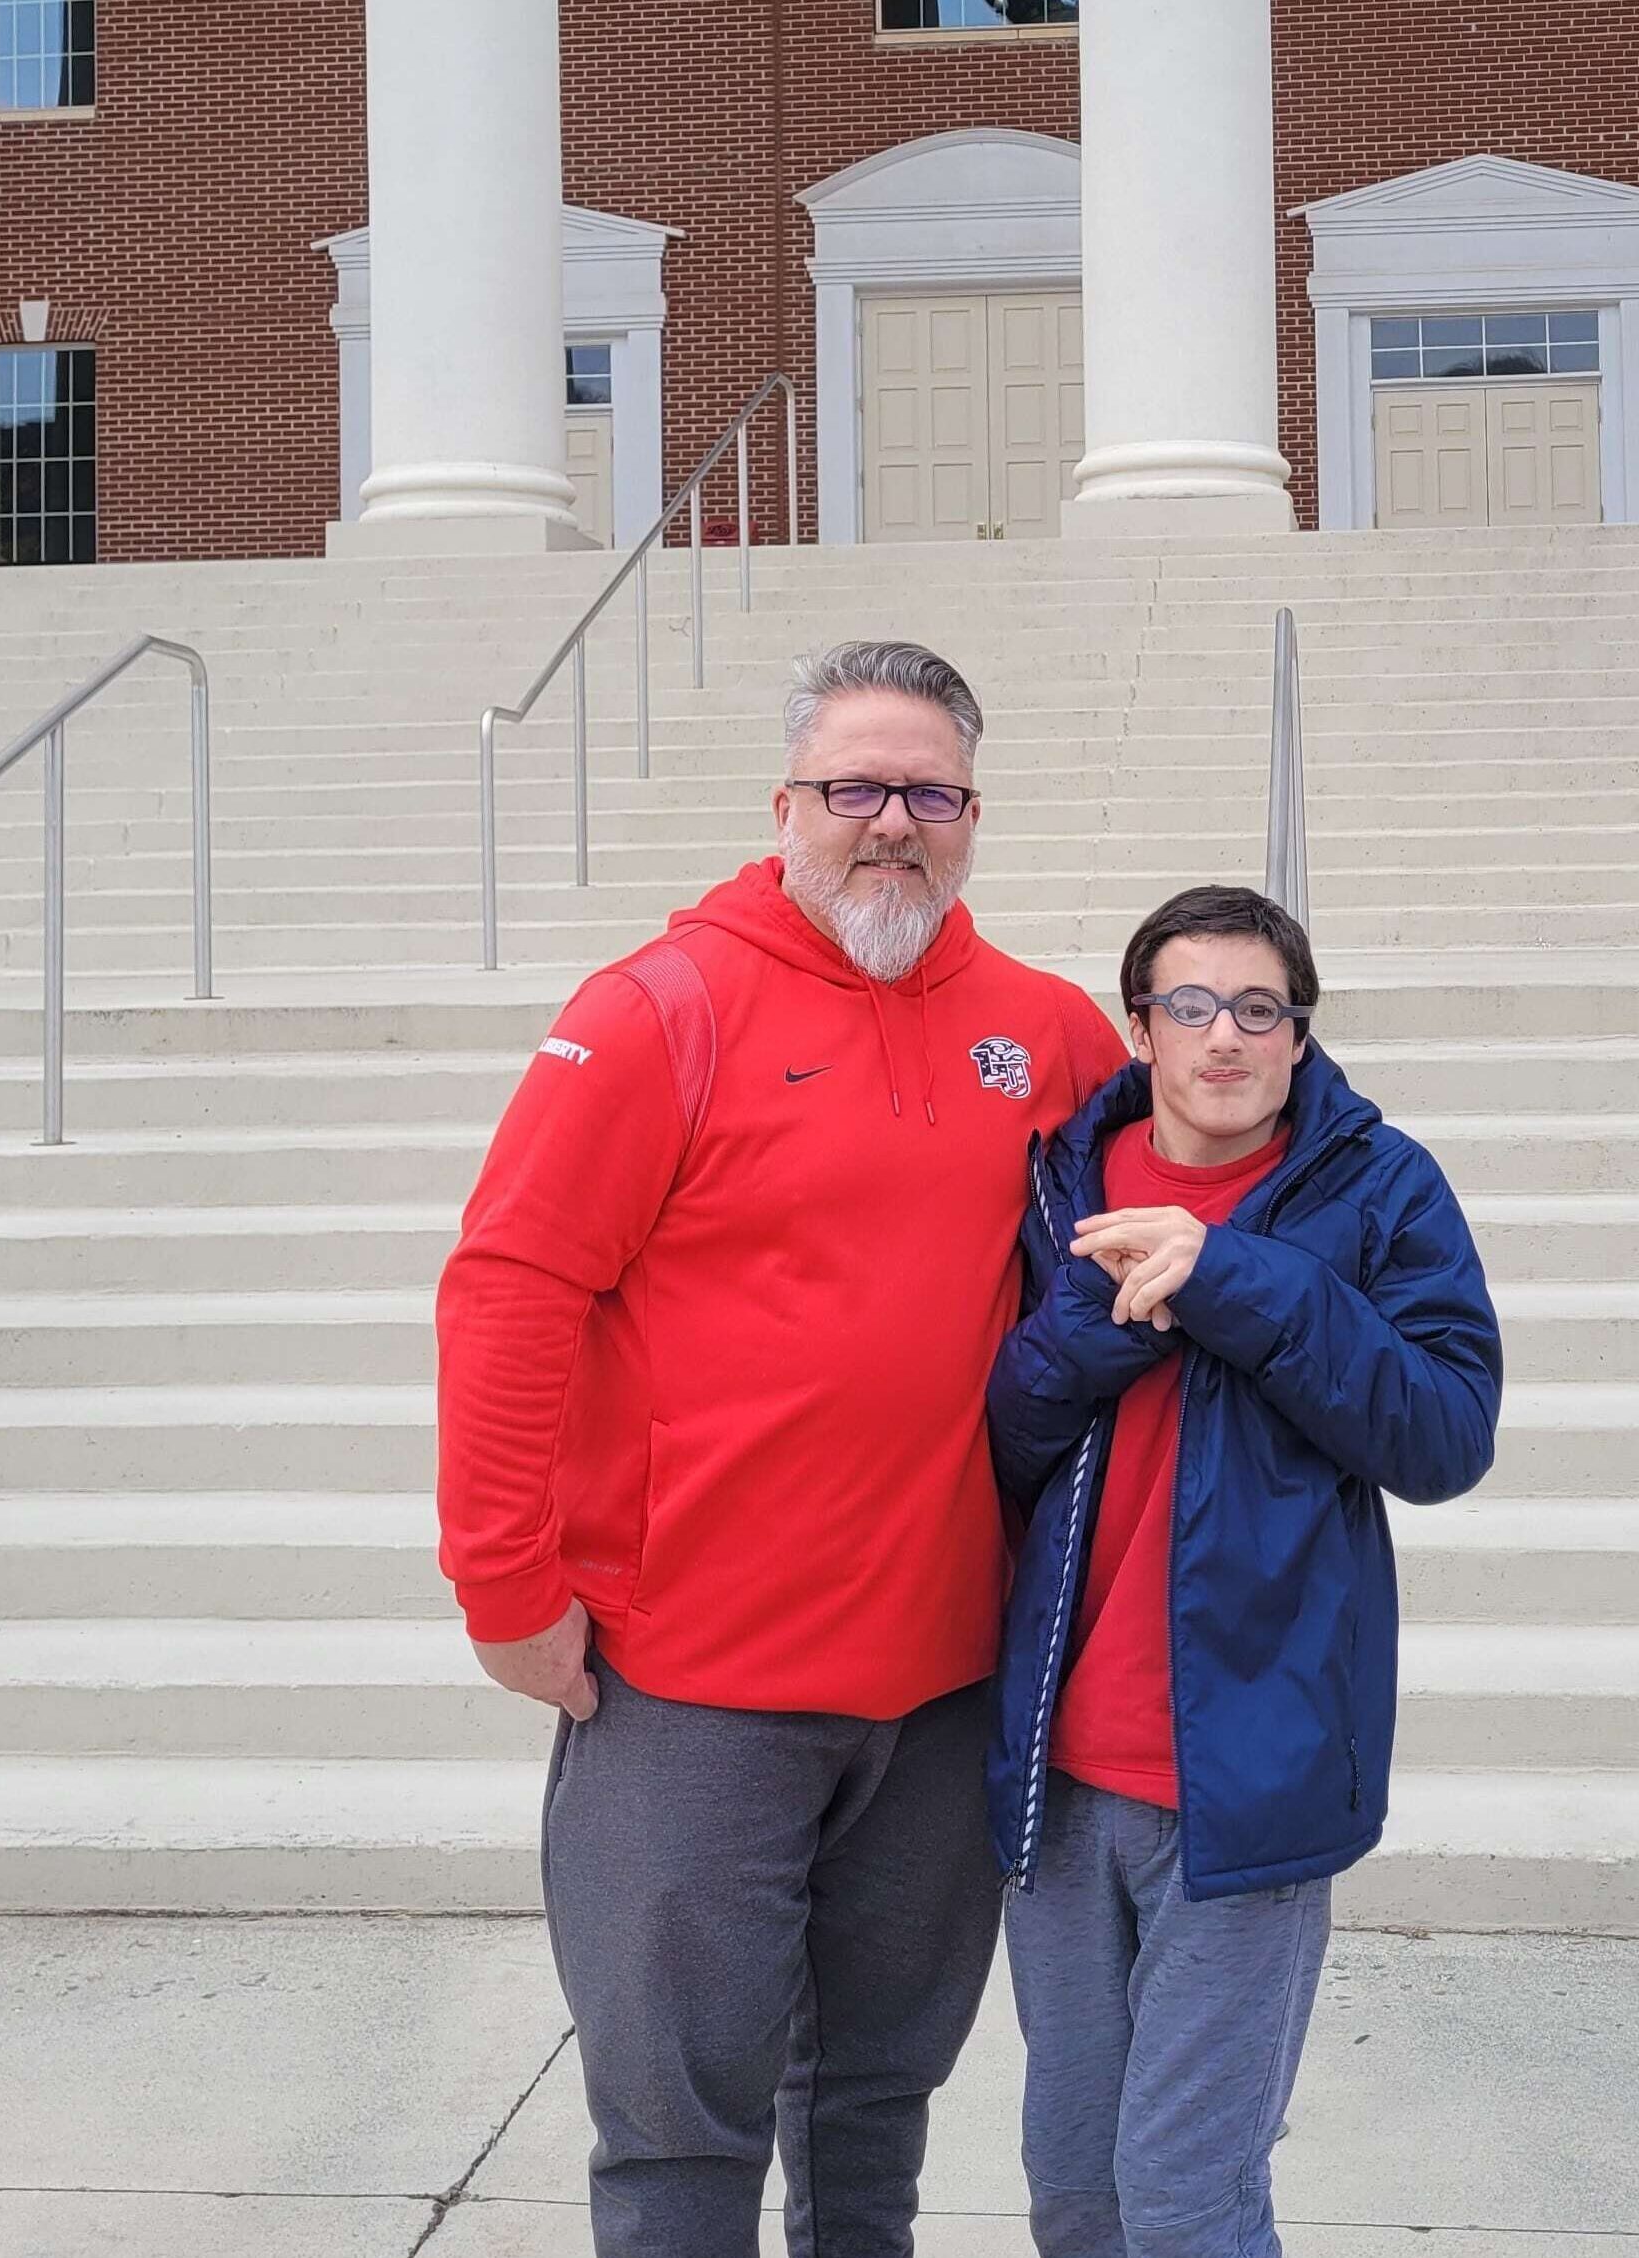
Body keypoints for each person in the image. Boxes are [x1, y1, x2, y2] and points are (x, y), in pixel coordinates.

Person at [435, 640, 1129, 2257]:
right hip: (690, 1683)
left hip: (944, 1677)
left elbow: (1188, 1207)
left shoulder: (1042, 1033)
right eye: (857, 788)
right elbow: (509, 1291)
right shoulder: (654, 1010)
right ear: (787, 805)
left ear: (971, 812)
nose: (893, 823)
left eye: (930, 792)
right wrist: (502, 1582)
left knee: (875, 2102)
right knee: (679, 2130)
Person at [985, 884, 1502, 2258]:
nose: (1226, 1036)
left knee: (1181, 2197)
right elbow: (1005, 1437)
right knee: (1075, 2188)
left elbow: (1443, 1432)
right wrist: (1097, 1328)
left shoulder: (1379, 1186)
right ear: (1138, 1026)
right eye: (1191, 1004)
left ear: (1296, 1033)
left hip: (1245, 1776)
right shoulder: (1060, 1180)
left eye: (1259, 1007)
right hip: (1061, 1770)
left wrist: (1228, 1278)